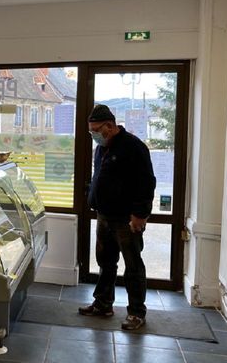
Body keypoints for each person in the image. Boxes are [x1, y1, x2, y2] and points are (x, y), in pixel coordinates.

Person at [79, 104, 156, 331]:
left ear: (110, 126)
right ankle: (103, 303)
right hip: (104, 214)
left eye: (95, 130)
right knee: (105, 262)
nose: (93, 135)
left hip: (127, 219)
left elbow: (146, 182)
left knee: (132, 266)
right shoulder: (101, 149)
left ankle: (136, 313)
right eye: (90, 130)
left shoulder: (133, 147)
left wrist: (140, 215)